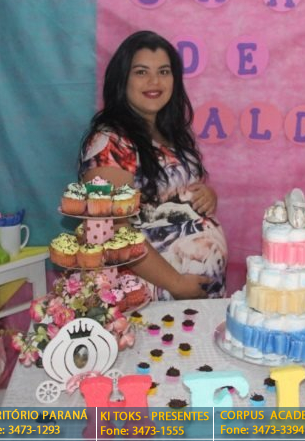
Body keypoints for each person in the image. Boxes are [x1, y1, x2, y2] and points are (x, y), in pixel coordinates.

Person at [78, 30, 227, 300]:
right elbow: (111, 229)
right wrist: (177, 284)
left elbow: (167, 195)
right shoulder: (109, 143)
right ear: (122, 79)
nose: (154, 81)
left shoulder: (170, 133)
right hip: (148, 297)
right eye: (141, 72)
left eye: (164, 71)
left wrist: (206, 196)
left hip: (189, 294)